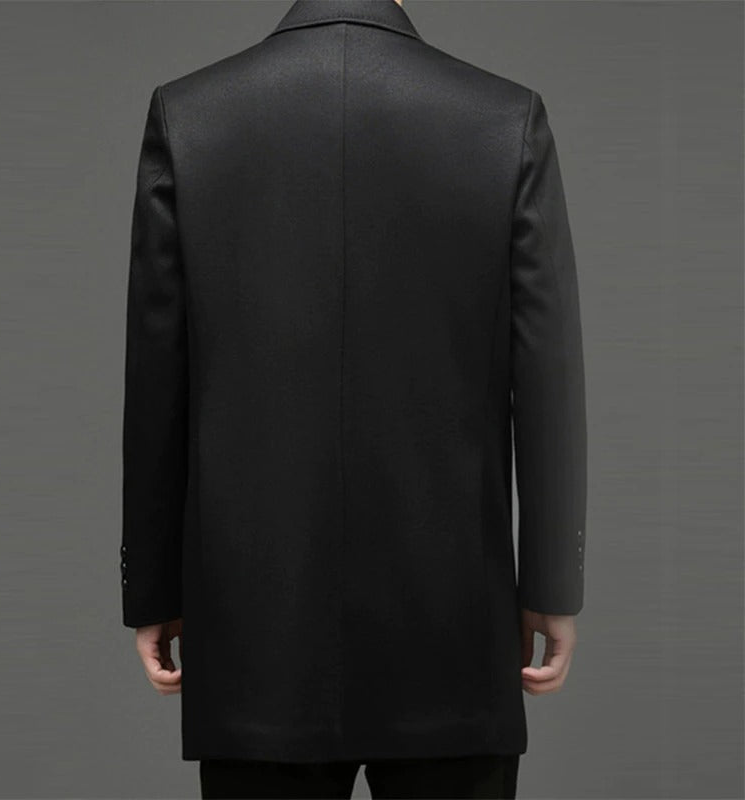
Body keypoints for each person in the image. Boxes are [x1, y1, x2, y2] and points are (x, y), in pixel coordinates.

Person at [119, 0, 588, 797]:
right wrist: (550, 586)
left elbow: (159, 373)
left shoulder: (190, 114)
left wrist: (154, 588)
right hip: (452, 627)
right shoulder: (504, 118)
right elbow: (549, 376)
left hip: (256, 635)